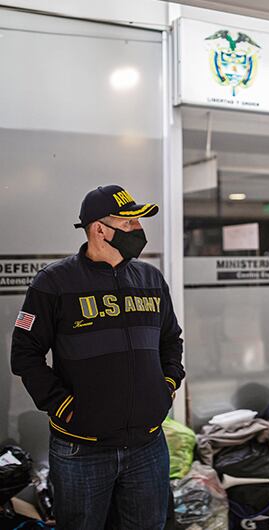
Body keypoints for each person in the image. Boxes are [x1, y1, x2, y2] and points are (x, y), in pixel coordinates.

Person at [10, 185, 184, 529]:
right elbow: (24, 354)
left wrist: (168, 382)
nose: (138, 231)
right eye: (129, 223)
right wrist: (61, 405)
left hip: (148, 444)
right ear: (99, 229)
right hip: (82, 450)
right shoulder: (54, 282)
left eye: (139, 223)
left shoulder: (150, 278)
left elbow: (170, 339)